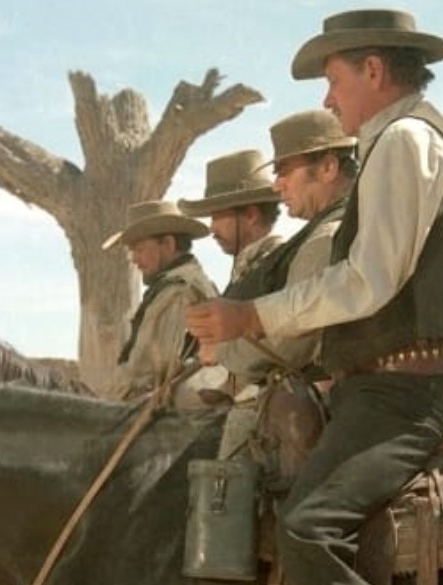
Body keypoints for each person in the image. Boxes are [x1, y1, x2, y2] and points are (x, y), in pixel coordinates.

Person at [185, 9, 443, 585]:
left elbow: (366, 279)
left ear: (373, 70)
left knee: (309, 525)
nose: (328, 100)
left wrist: (251, 316)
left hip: (405, 390)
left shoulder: (404, 140)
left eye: (333, 80)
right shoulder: (406, 139)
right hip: (395, 381)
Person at [211, 109, 357, 461]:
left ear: (328, 168)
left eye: (284, 171)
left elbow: (289, 346)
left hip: (338, 397)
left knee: (229, 463)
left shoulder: (325, 238)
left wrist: (221, 351)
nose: (277, 185)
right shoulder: (333, 229)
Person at [103, 199, 218, 401]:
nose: (133, 259)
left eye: (139, 249)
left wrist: (108, 402)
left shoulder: (177, 291)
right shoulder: (186, 284)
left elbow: (147, 377)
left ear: (168, 244)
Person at [179, 149, 283, 285]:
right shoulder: (251, 268)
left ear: (251, 215)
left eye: (217, 217)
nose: (212, 229)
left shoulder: (279, 267)